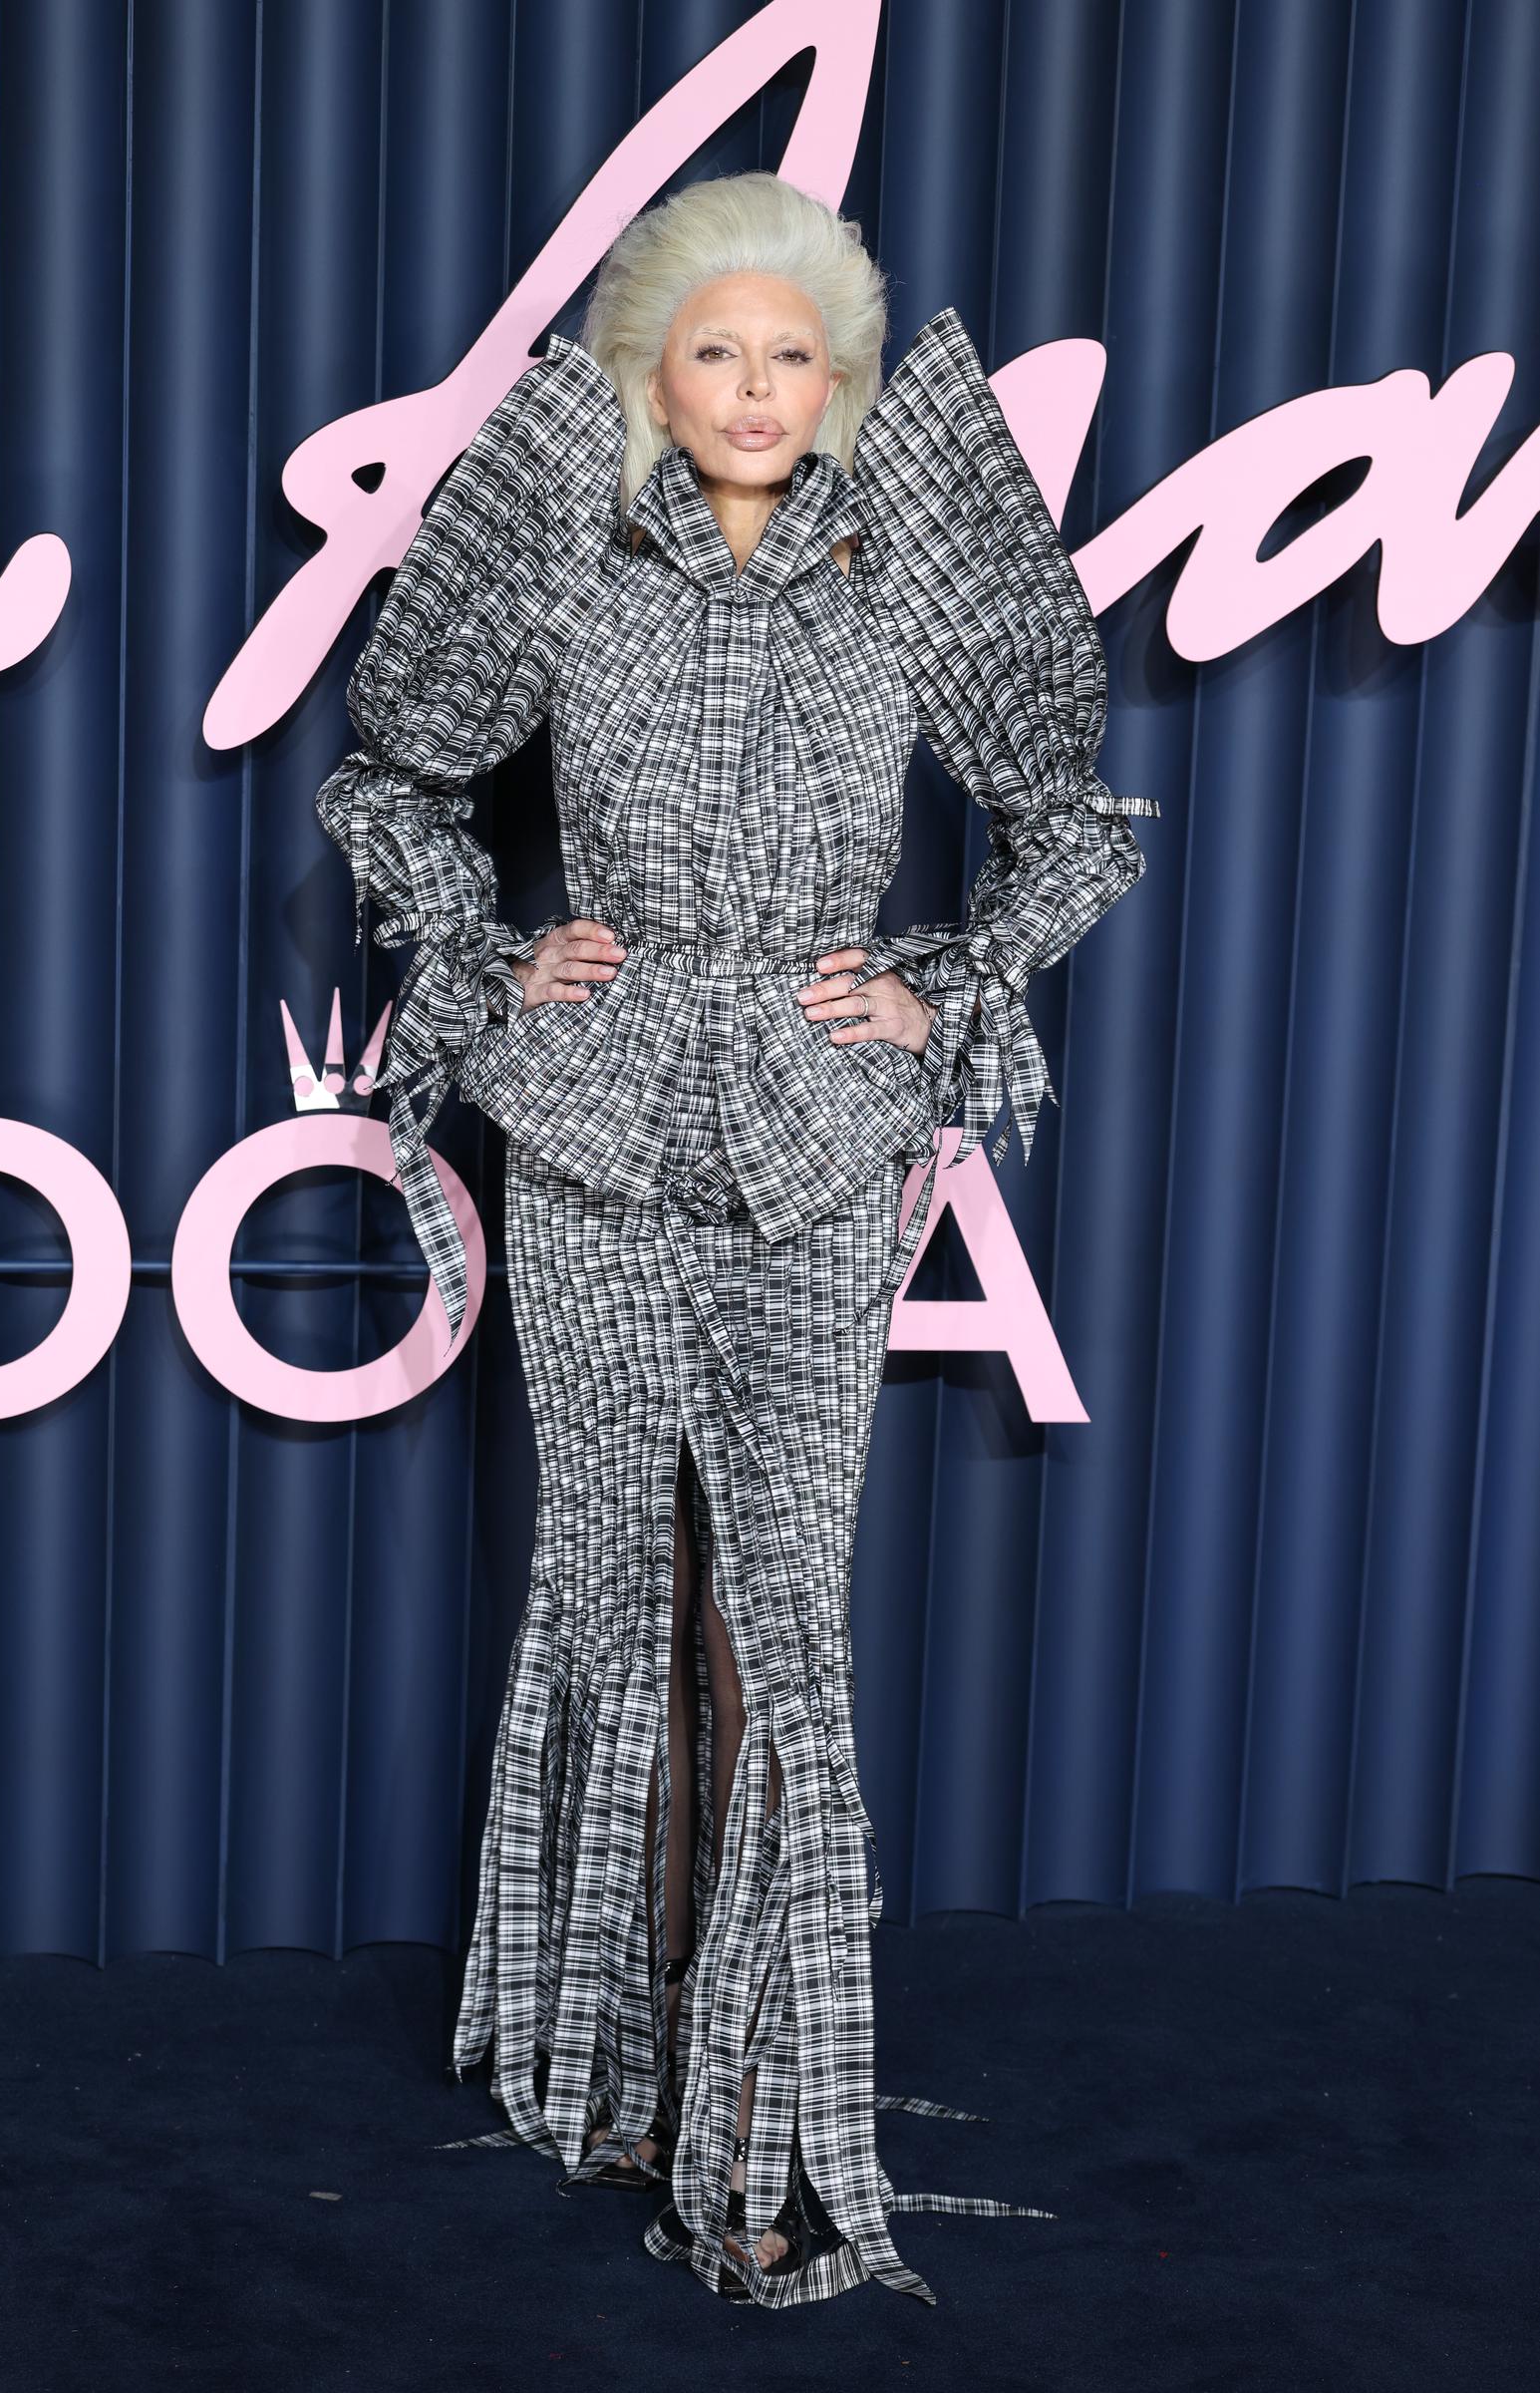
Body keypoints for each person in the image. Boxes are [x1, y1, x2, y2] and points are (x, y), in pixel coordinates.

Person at [314, 171, 1156, 2308]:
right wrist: (492, 969)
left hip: (817, 1138)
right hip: (590, 1136)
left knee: (779, 1623)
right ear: (649, 373)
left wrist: (947, 986)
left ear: (841, 377)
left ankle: (762, 2123)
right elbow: (391, 782)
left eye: (796, 353)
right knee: (612, 1599)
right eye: (718, 349)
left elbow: (1072, 822)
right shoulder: (562, 564)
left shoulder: (909, 571)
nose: (760, 387)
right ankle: (603, 2063)